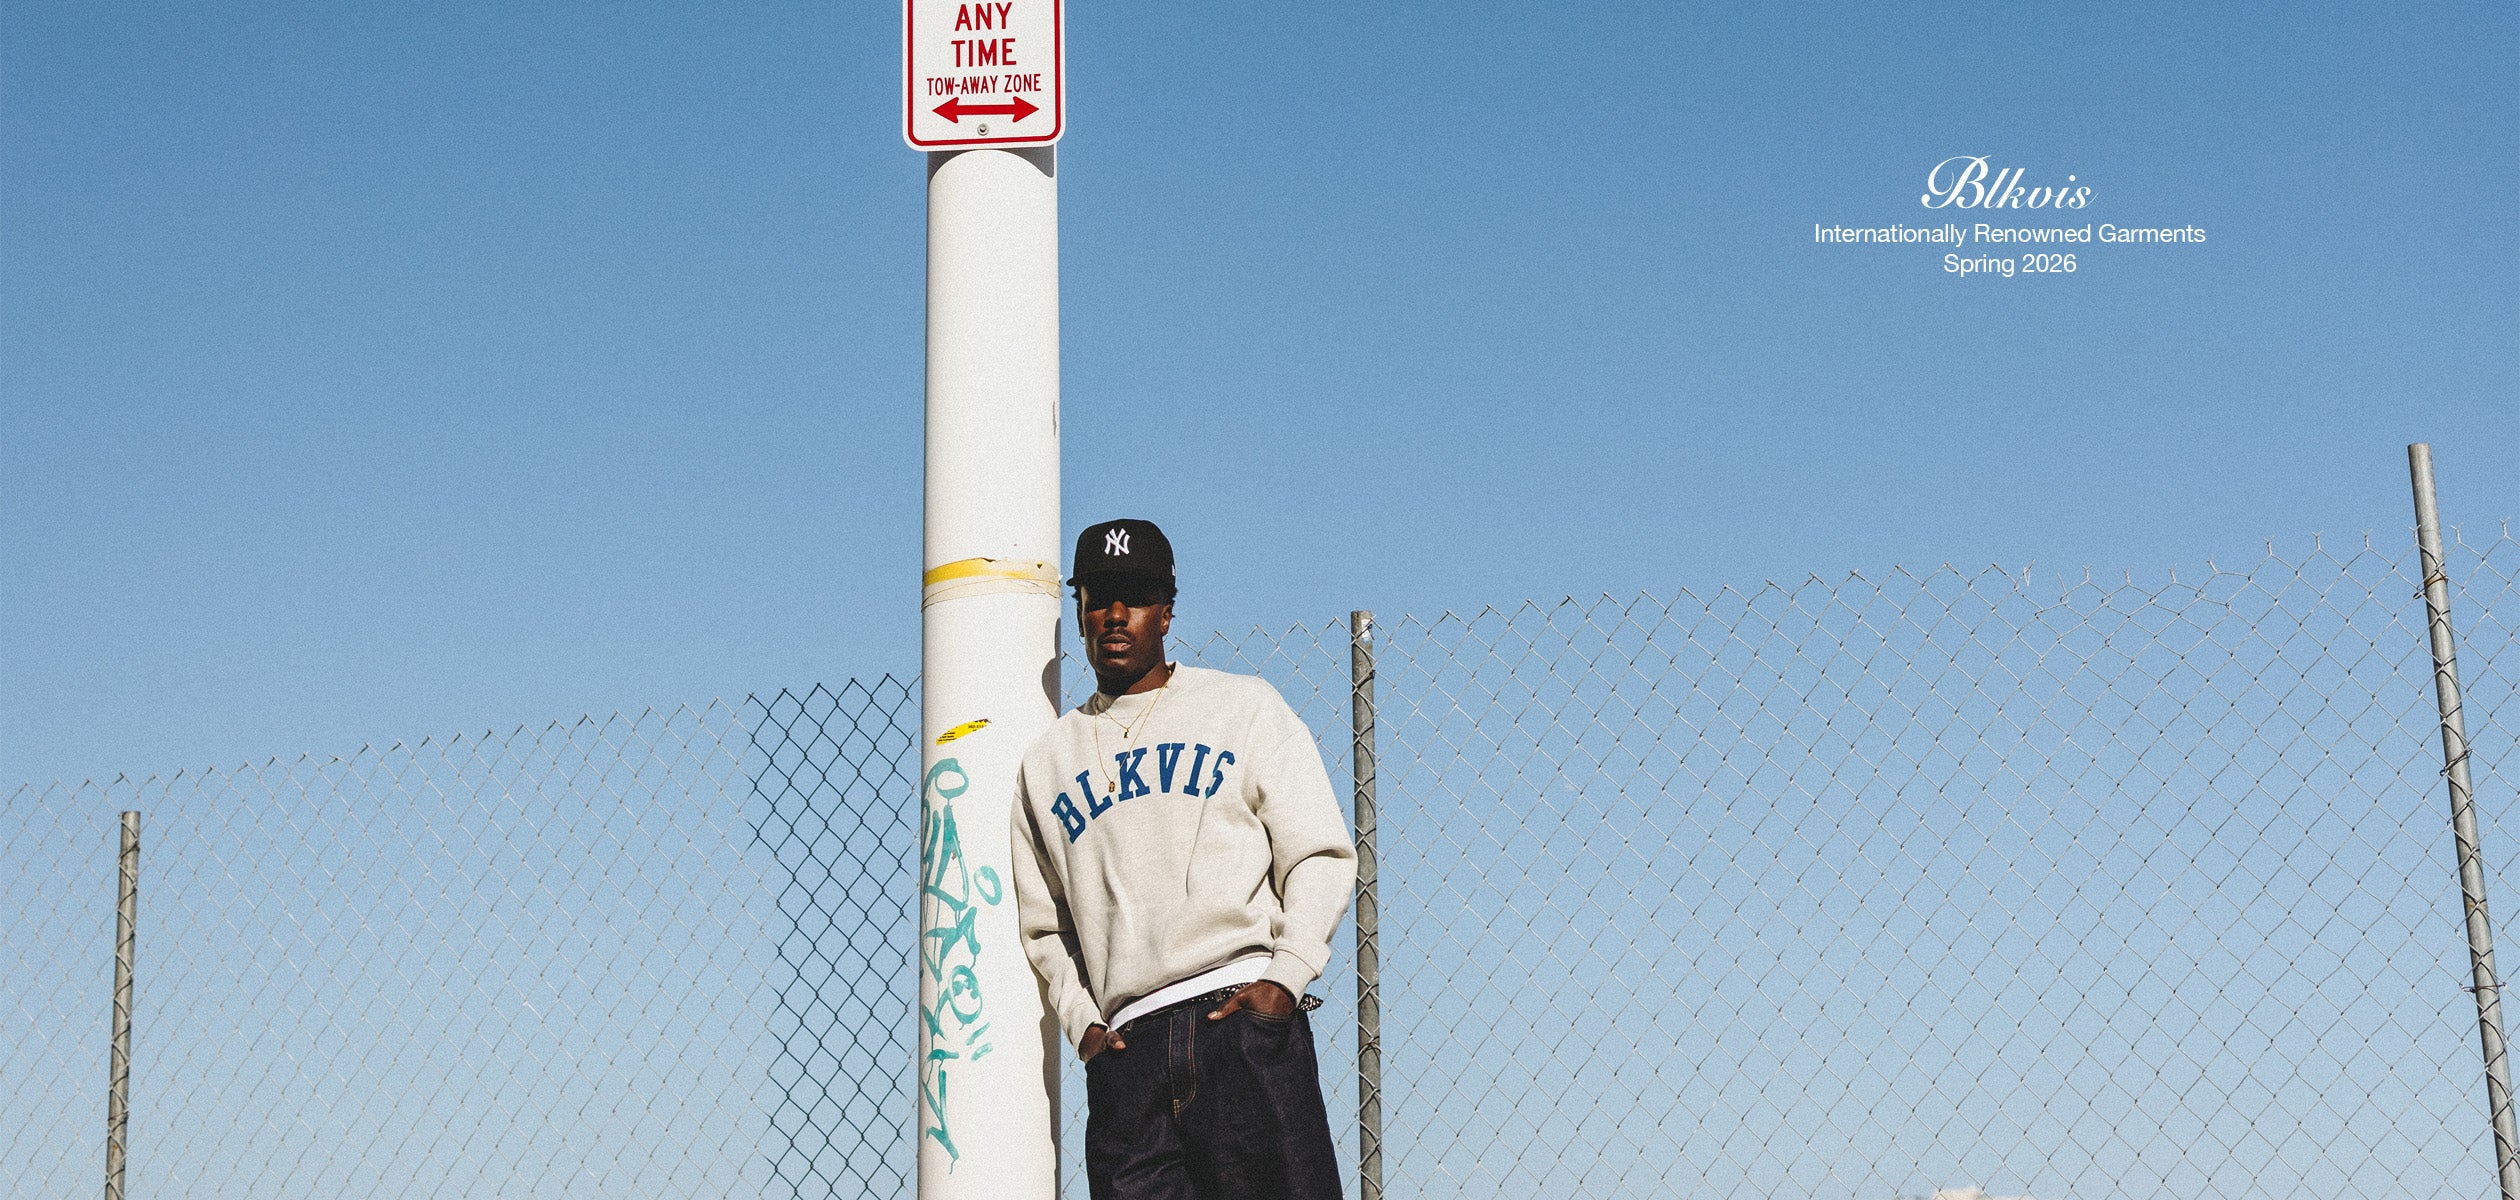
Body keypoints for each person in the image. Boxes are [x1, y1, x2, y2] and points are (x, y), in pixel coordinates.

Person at [1009, 517, 1357, 1200]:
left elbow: (1317, 852)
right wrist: (1084, 1024)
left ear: (1166, 611)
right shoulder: (1047, 761)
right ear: (1079, 613)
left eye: (1136, 597)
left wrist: (1285, 979)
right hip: (1128, 1055)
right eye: (1098, 598)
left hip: (1242, 1023)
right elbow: (1046, 925)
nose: (1115, 615)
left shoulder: (1241, 707)